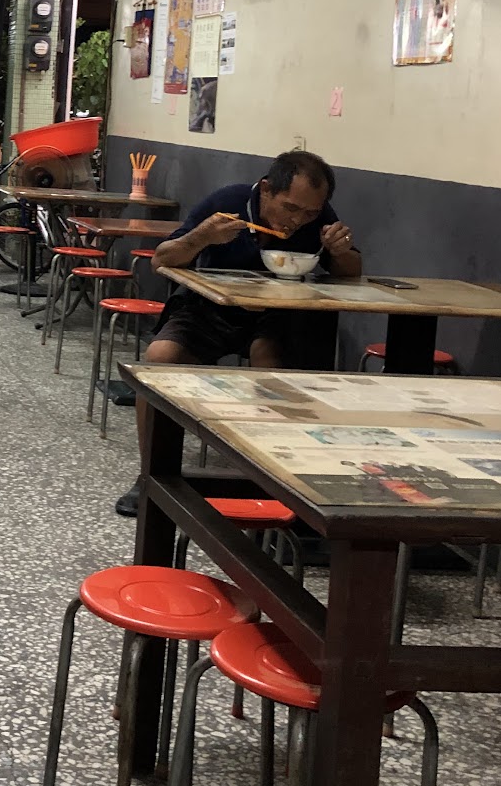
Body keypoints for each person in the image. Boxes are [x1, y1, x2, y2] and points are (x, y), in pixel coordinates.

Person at [113, 150, 361, 516]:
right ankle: (152, 473)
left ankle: (270, 480)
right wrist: (201, 237)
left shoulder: (317, 216)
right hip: (209, 308)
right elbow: (161, 259)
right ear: (266, 189)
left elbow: (351, 272)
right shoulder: (228, 203)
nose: (298, 220)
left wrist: (340, 252)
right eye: (290, 208)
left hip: (276, 315)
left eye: (309, 213)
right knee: (159, 360)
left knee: (269, 364)